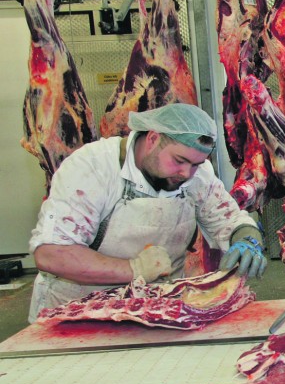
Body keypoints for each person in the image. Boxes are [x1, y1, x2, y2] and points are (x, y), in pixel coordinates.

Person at [28, 103, 268, 322]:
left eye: (196, 164)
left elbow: (232, 222)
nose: (186, 173)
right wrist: (135, 269)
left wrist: (247, 240)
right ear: (153, 138)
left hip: (158, 313)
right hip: (78, 313)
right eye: (179, 160)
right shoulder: (92, 167)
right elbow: (51, 254)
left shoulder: (198, 175)